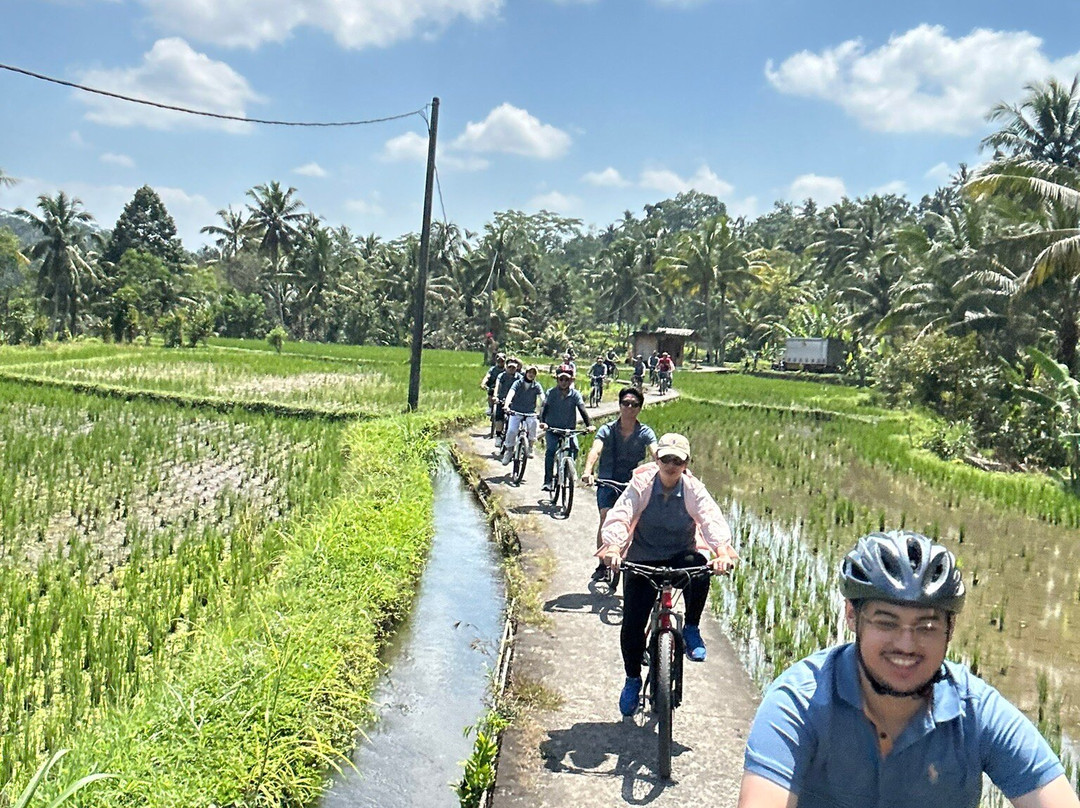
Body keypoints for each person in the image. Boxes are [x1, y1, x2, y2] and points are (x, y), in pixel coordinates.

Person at [737, 530, 1080, 808]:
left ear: (951, 628)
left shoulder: (978, 713)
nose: (906, 644)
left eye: (927, 626)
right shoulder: (799, 702)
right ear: (852, 617)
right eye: (886, 622)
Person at [596, 433, 739, 716]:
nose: (671, 465)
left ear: (686, 463)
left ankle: (692, 629)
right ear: (656, 459)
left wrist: (722, 552)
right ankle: (632, 679)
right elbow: (622, 514)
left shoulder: (693, 489)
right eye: (665, 459)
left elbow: (710, 518)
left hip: (679, 557)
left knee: (700, 568)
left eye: (677, 460)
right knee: (632, 627)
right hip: (643, 559)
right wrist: (612, 546)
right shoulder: (641, 485)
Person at [581, 386, 658, 582]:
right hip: (607, 479)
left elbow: (655, 452)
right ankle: (601, 563)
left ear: (639, 408)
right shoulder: (607, 429)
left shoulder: (645, 432)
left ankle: (630, 558)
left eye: (634, 404)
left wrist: (666, 467)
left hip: (632, 483)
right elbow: (595, 450)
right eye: (625, 403)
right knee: (606, 517)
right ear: (619, 405)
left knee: (634, 522)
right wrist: (588, 471)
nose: (629, 408)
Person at [539, 365, 594, 492]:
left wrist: (589, 425)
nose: (564, 382)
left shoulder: (575, 395)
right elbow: (543, 408)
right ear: (557, 380)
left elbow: (582, 409)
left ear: (571, 381)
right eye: (561, 379)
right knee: (551, 451)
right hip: (552, 428)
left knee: (574, 448)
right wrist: (542, 422)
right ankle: (547, 481)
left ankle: (568, 470)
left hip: (568, 429)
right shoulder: (551, 393)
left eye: (567, 380)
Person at [501, 364, 545, 464]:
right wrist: (507, 405)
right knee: (512, 430)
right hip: (516, 411)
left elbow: (542, 398)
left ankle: (530, 446)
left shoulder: (537, 386)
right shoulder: (518, 383)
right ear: (526, 373)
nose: (531, 374)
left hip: (530, 412)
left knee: (533, 425)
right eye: (529, 372)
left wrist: (545, 407)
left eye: (533, 373)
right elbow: (511, 393)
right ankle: (509, 451)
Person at [492, 357, 521, 450]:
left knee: (513, 423)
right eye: (510, 367)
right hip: (502, 399)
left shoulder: (520, 378)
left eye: (514, 368)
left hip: (515, 402)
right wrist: (495, 396)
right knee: (499, 416)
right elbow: (497, 386)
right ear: (506, 367)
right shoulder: (502, 376)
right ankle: (498, 435)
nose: (512, 369)